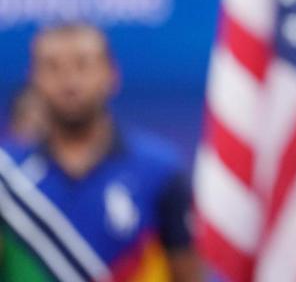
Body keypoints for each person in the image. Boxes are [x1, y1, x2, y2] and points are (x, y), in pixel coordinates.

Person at [0, 23, 201, 281]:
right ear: (33, 78)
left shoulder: (161, 171)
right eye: (52, 67)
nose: (68, 81)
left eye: (83, 64)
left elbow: (188, 274)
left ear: (111, 74)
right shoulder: (6, 174)